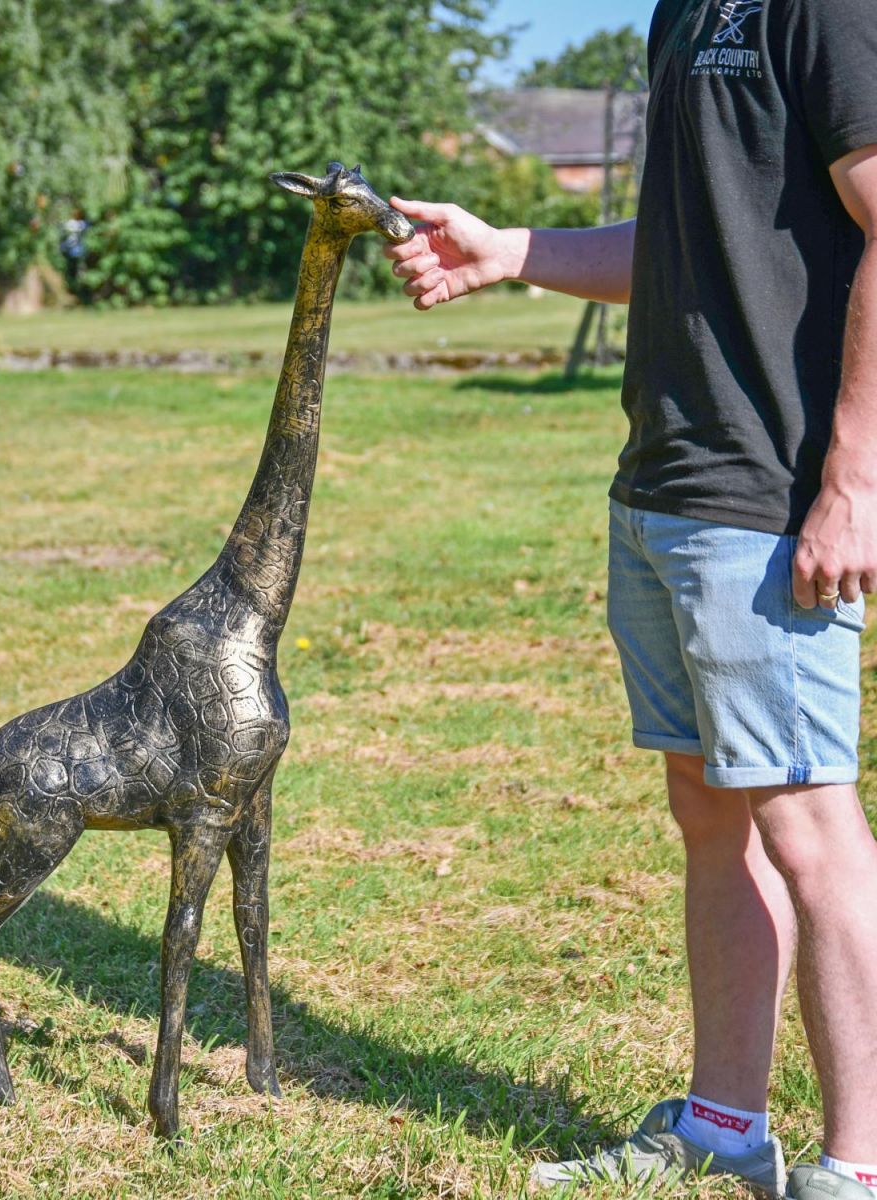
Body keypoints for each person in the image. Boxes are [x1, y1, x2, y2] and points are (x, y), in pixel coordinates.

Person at [384, 2, 877, 1197]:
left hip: (768, 491)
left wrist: (856, 476)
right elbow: (686, 238)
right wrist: (514, 250)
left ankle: (857, 1167)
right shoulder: (685, 6)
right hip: (666, 478)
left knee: (808, 823)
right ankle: (723, 1125)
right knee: (711, 807)